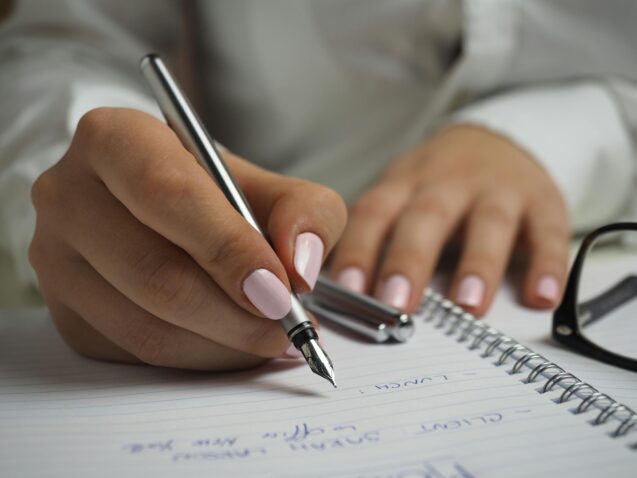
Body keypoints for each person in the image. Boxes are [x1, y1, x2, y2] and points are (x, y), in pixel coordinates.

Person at [0, 0, 635, 371]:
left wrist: (573, 135)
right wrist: (104, 189)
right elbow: (65, 43)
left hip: (599, 256)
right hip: (256, 248)